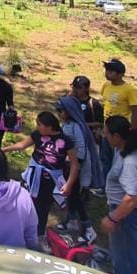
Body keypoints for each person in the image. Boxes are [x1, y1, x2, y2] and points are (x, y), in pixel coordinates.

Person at [3, 110, 79, 239]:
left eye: (39, 124)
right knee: (23, 202)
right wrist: (4, 150)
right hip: (33, 176)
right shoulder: (37, 135)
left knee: (42, 208)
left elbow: (75, 165)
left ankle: (39, 235)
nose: (37, 127)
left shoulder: (66, 141)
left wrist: (69, 184)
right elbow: (22, 145)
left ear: (49, 127)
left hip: (49, 180)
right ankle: (18, 228)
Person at [100, 116, 137, 274]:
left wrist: (113, 218)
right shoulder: (127, 149)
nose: (105, 137)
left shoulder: (131, 162)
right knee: (124, 252)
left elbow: (131, 198)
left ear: (117, 136)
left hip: (127, 216)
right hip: (128, 213)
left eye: (107, 134)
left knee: (127, 256)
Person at [54, 101, 96, 239]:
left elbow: (80, 147)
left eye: (61, 111)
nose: (59, 114)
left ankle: (88, 227)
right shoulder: (66, 125)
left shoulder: (76, 126)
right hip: (67, 165)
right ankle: (71, 220)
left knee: (75, 196)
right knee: (70, 195)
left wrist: (75, 162)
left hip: (75, 166)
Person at [67, 75, 111, 185]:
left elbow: (100, 123)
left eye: (79, 88)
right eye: (74, 87)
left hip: (88, 137)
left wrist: (83, 125)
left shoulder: (93, 104)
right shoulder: (70, 101)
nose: (76, 90)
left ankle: (87, 185)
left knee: (87, 163)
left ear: (86, 89)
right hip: (72, 137)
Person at [99, 59, 137, 127]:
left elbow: (135, 112)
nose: (107, 73)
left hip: (122, 126)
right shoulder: (106, 85)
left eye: (111, 71)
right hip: (107, 124)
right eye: (107, 70)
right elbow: (104, 103)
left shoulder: (130, 90)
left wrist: (133, 128)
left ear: (120, 74)